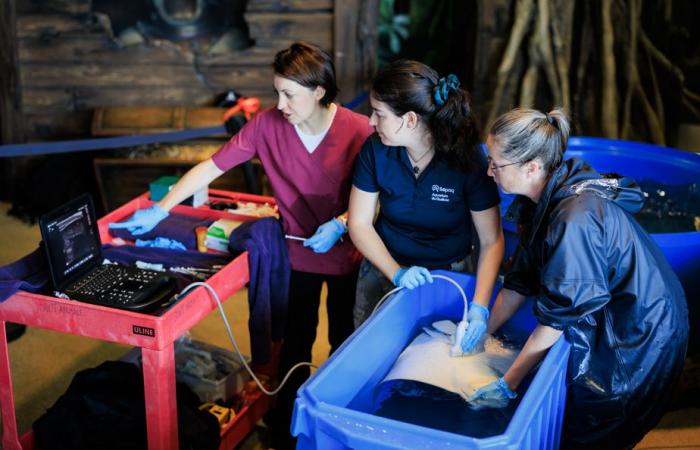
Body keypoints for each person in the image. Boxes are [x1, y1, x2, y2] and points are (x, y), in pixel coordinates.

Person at [110, 42, 373, 449]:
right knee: (296, 341)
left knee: (343, 340)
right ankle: (285, 427)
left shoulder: (358, 130)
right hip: (297, 252)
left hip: (348, 251)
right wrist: (162, 209)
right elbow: (211, 168)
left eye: (289, 94)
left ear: (320, 90)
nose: (280, 103)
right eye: (277, 92)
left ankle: (338, 428)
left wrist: (341, 224)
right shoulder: (267, 126)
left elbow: (381, 193)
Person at [468, 108, 689, 449]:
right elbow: (521, 280)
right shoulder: (540, 199)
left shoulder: (574, 219)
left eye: (496, 164)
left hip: (641, 336)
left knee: (591, 430)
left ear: (531, 167)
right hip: (623, 312)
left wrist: (508, 384)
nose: (489, 171)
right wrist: (484, 330)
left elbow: (558, 316)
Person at [348, 59, 504, 356]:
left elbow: (491, 240)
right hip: (384, 265)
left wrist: (480, 307)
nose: (370, 121)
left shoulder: (466, 161)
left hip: (449, 274)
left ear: (409, 120)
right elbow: (359, 223)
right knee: (370, 354)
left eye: (378, 114)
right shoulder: (376, 150)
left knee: (435, 356)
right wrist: (395, 273)